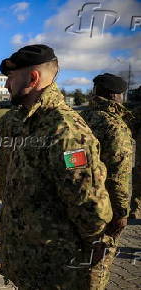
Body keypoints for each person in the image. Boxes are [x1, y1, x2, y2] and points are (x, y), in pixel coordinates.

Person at [0, 44, 112, 289]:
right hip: (28, 261)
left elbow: (91, 209)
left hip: (56, 270)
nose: (6, 85)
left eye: (10, 78)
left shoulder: (64, 129)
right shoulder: (20, 122)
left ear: (33, 77)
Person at [80, 73, 134, 289]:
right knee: (98, 265)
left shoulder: (79, 119)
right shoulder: (114, 125)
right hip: (104, 207)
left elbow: (71, 161)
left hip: (78, 201)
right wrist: (121, 212)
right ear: (115, 96)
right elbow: (118, 174)